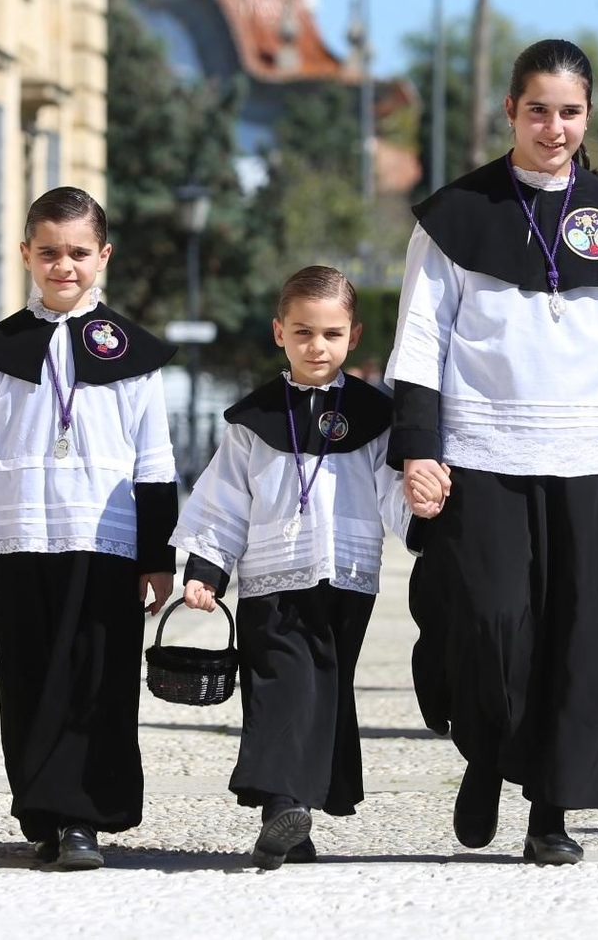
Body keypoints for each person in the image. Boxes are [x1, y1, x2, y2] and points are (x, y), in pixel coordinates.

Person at [386, 40, 598, 866]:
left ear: (587, 116)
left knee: (581, 640)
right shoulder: (454, 215)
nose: (554, 127)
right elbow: (418, 341)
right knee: (488, 621)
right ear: (510, 111)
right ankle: (487, 749)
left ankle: (549, 809)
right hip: (484, 451)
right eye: (538, 109)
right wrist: (418, 448)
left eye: (570, 111)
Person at [0, 186, 179, 871]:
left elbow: (155, 460)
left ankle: (83, 819)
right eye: (50, 252)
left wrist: (158, 556)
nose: (65, 265)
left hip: (106, 539)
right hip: (25, 535)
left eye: (79, 253)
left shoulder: (133, 353)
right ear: (28, 254)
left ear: (104, 257)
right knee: (31, 680)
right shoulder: (2, 350)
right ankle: (43, 810)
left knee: (98, 680)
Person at [172, 266, 424, 870]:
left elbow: (393, 493)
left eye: (332, 334)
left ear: (354, 336)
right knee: (280, 684)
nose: (318, 346)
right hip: (271, 580)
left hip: (347, 576)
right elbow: (225, 499)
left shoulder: (373, 416)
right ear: (279, 332)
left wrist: (429, 524)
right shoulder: (252, 420)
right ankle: (280, 805)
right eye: (304, 332)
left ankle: (298, 816)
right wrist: (207, 568)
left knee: (324, 690)